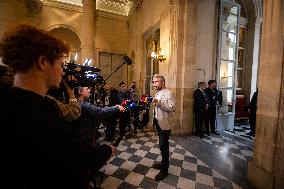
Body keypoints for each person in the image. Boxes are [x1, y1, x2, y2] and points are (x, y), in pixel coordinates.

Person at [0, 24, 115, 189]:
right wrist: (106, 151)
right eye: (61, 64)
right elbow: (71, 159)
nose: (62, 72)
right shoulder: (39, 109)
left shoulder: (9, 99)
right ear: (43, 62)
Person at [152, 74, 176, 181]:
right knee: (162, 145)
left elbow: (172, 108)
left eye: (156, 82)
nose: (154, 84)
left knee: (163, 146)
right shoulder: (157, 93)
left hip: (165, 124)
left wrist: (159, 103)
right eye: (153, 82)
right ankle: (163, 163)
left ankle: (165, 169)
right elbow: (157, 107)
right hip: (159, 122)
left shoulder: (169, 93)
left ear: (162, 82)